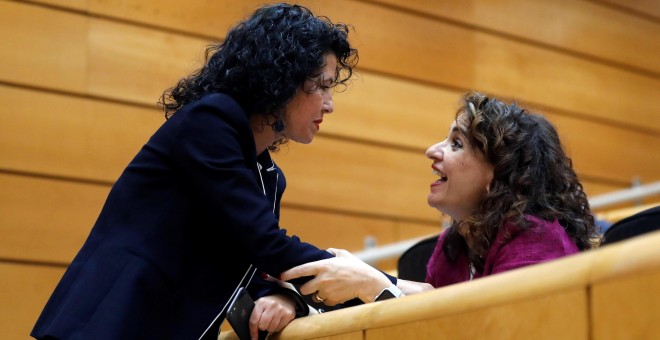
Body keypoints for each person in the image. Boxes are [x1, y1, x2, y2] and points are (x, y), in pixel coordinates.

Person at [31, 4, 395, 340]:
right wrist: (389, 285)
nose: (329, 105)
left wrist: (286, 300)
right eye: (323, 86)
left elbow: (254, 266)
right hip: (110, 323)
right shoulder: (210, 121)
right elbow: (267, 245)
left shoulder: (267, 175)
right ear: (283, 76)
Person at [281, 91, 599, 305]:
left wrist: (373, 283)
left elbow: (493, 328)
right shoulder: (455, 243)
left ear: (497, 174)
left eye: (456, 143)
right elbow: (437, 312)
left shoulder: (537, 239)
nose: (432, 151)